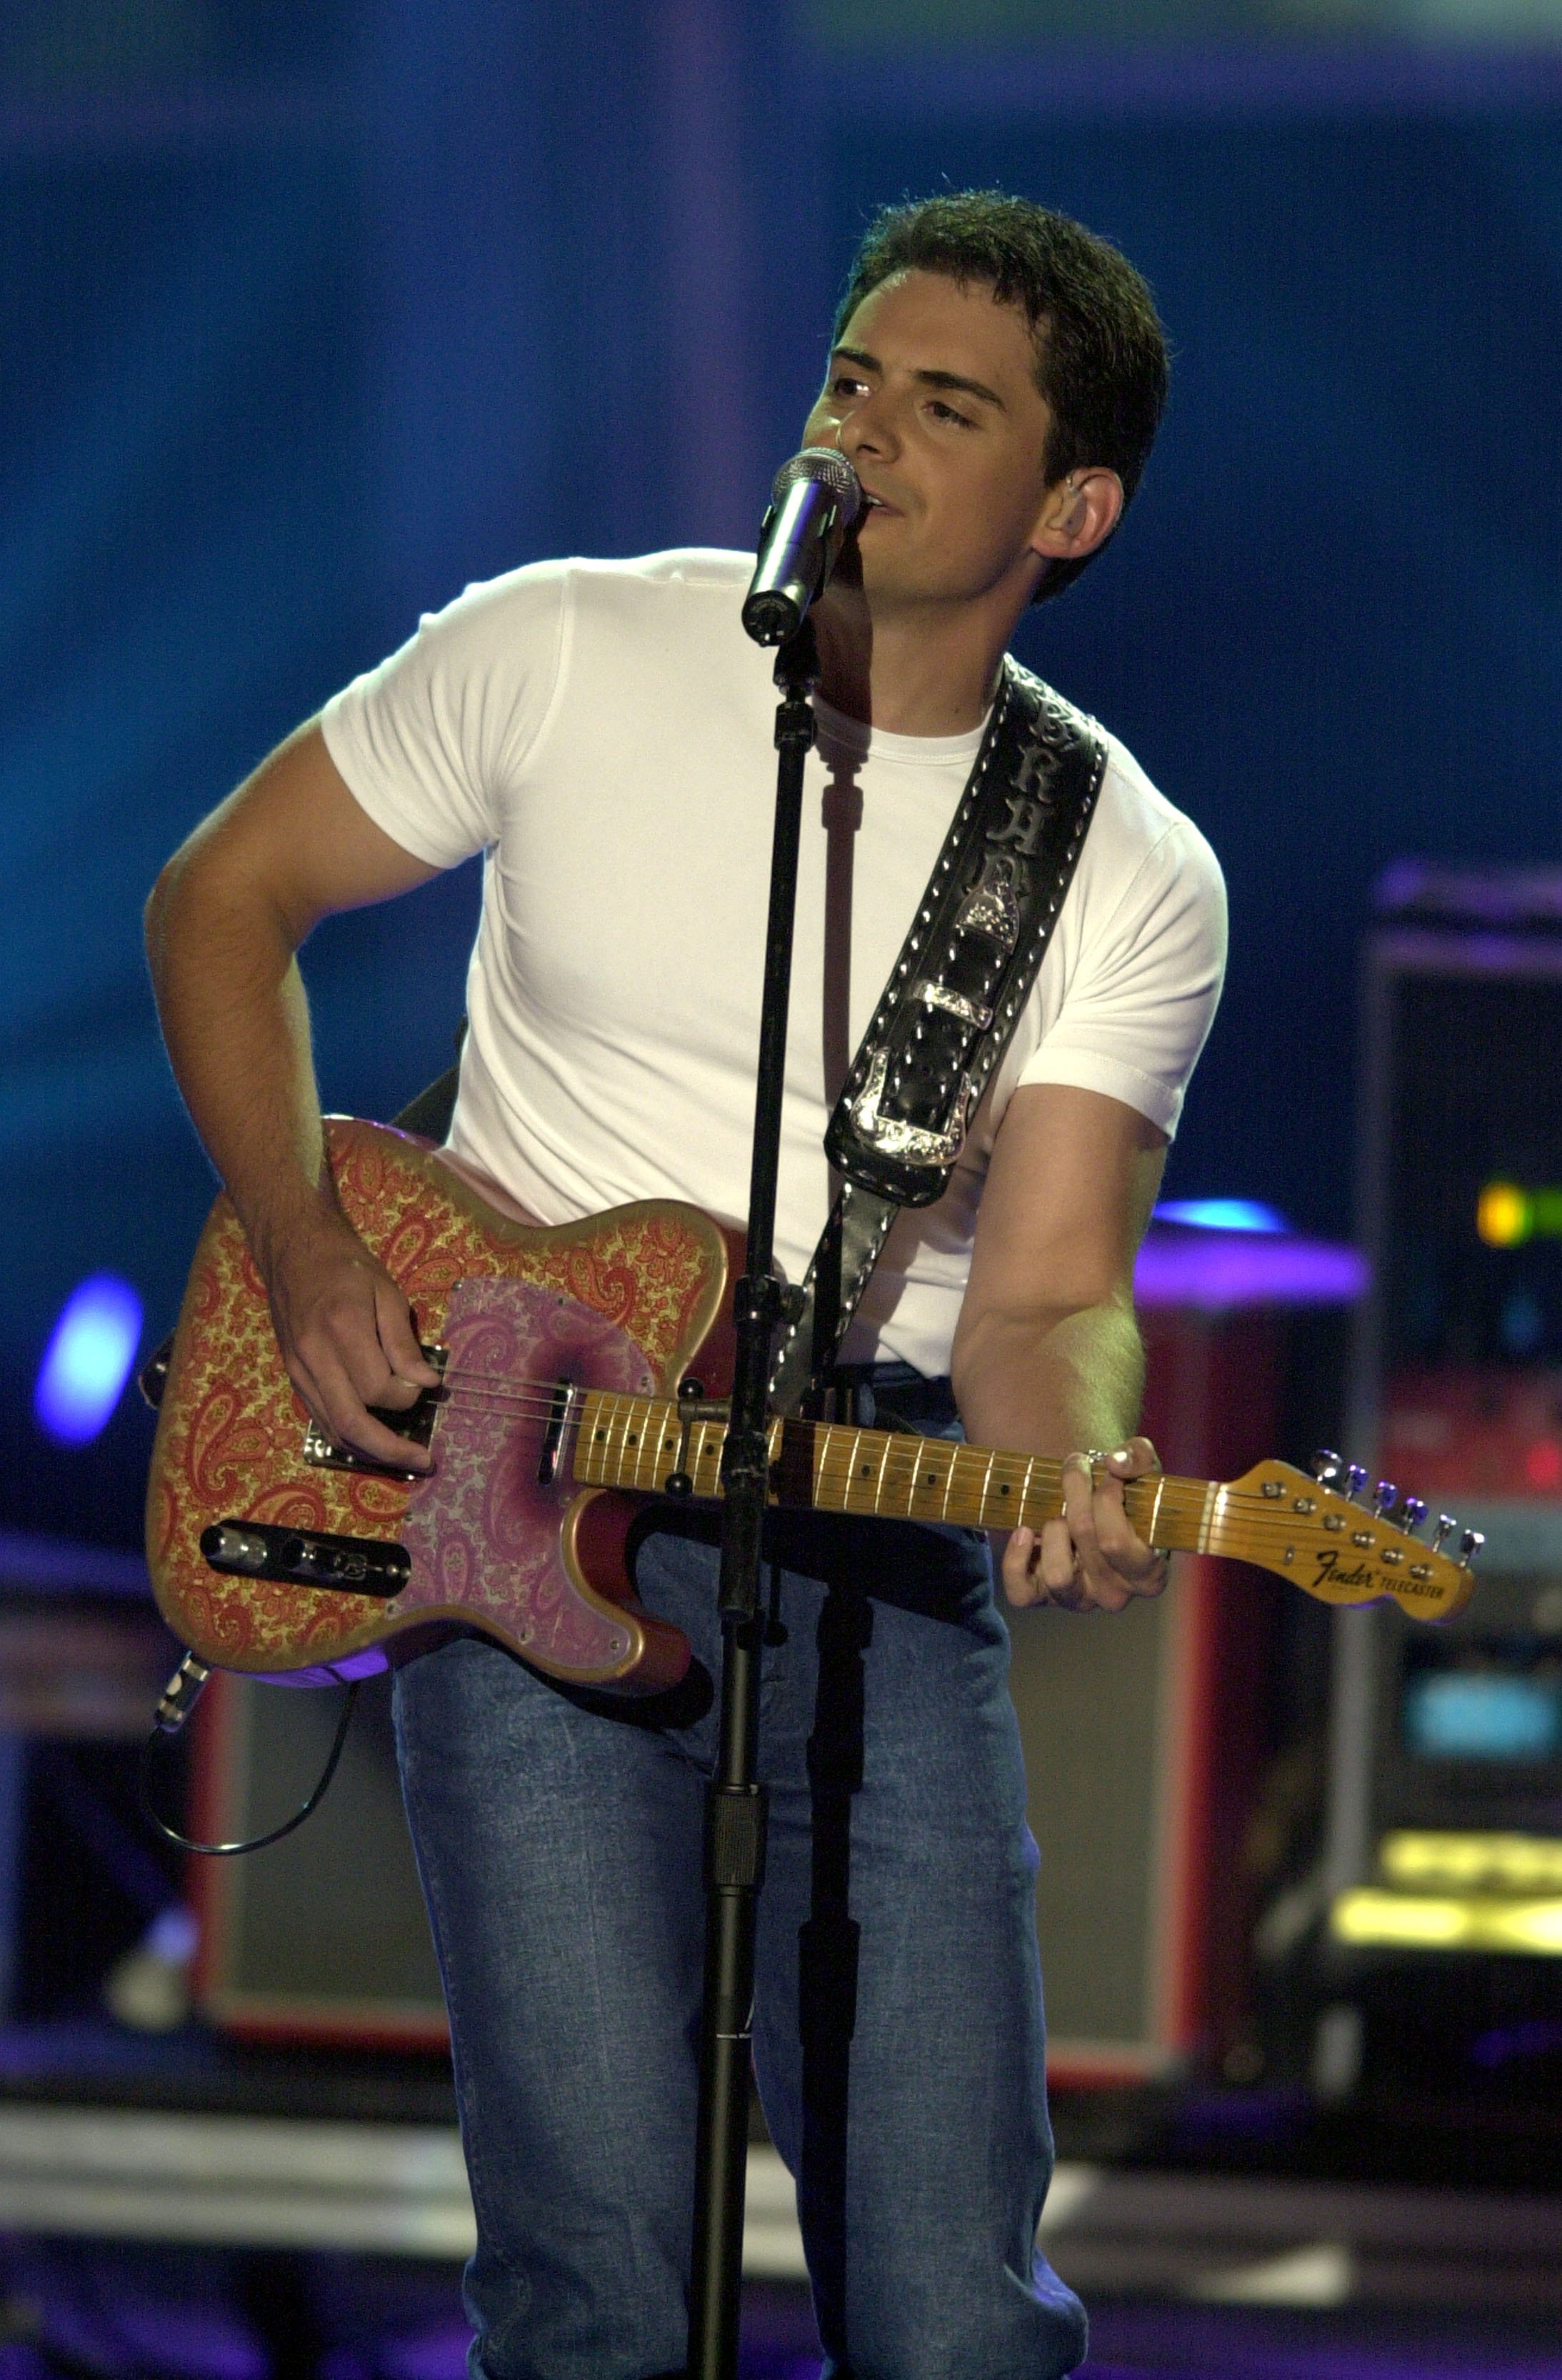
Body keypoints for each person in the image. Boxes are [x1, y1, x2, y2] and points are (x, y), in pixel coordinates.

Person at [146, 193, 1225, 2380]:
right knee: (591, 2295)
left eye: (946, 409)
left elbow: (1036, 1302)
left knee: (950, 2321)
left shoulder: (1116, 861)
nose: (868, 435)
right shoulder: (567, 644)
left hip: (866, 1544)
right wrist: (310, 1246)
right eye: (853, 380)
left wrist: (1082, 1459)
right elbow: (221, 901)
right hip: (513, 1505)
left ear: (1071, 504)